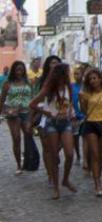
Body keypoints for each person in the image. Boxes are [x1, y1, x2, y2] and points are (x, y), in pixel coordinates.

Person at [29, 63, 76, 200]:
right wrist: (47, 113)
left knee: (69, 154)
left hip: (65, 123)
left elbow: (70, 104)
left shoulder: (68, 87)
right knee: (54, 156)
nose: (68, 74)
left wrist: (71, 114)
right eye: (66, 72)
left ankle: (65, 179)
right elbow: (32, 104)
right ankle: (56, 187)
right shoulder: (48, 89)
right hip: (52, 124)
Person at [79, 67, 102, 198]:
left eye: (95, 78)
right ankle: (97, 183)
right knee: (94, 154)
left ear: (100, 79)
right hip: (90, 124)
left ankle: (98, 174)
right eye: (90, 79)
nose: (93, 81)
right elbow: (84, 111)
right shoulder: (85, 94)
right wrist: (81, 100)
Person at [0, 60, 33, 174]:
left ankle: (27, 159)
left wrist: (33, 114)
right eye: (17, 69)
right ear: (13, 71)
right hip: (12, 114)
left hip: (26, 112)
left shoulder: (28, 82)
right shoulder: (7, 83)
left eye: (21, 69)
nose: (19, 72)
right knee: (16, 138)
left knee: (28, 135)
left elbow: (32, 98)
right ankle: (19, 165)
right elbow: (2, 99)